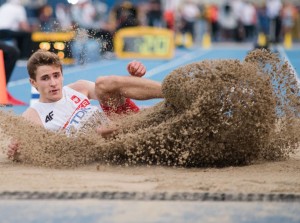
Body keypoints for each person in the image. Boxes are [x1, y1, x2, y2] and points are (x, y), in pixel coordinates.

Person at [7, 49, 163, 159]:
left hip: (126, 123)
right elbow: (31, 152)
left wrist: (132, 78)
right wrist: (18, 153)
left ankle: (171, 89)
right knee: (102, 130)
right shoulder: (32, 116)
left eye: (56, 75)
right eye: (45, 78)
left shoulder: (78, 88)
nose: (53, 83)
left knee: (102, 83)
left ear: (62, 75)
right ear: (33, 83)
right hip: (107, 146)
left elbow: (114, 92)